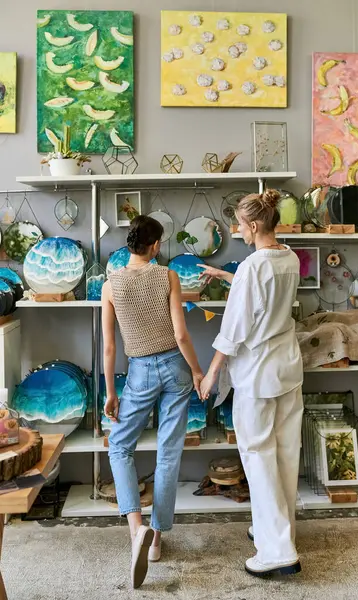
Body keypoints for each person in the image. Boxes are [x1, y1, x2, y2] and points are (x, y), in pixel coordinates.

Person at [199, 190, 304, 578]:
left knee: (258, 458)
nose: (237, 230)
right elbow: (265, 293)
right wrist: (227, 275)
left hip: (258, 374)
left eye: (240, 225)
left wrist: (211, 373)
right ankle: (277, 530)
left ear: (254, 225)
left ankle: (277, 551)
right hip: (287, 370)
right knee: (285, 455)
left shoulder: (252, 267)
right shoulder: (289, 258)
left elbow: (234, 328)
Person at [102, 215, 203, 590]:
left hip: (140, 371)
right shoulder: (168, 276)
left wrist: (112, 391)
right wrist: (196, 371)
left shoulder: (111, 285)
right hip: (175, 368)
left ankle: (136, 529)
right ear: (156, 246)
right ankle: (156, 540)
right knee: (168, 452)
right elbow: (180, 333)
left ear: (131, 245)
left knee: (120, 446)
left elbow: (109, 346)